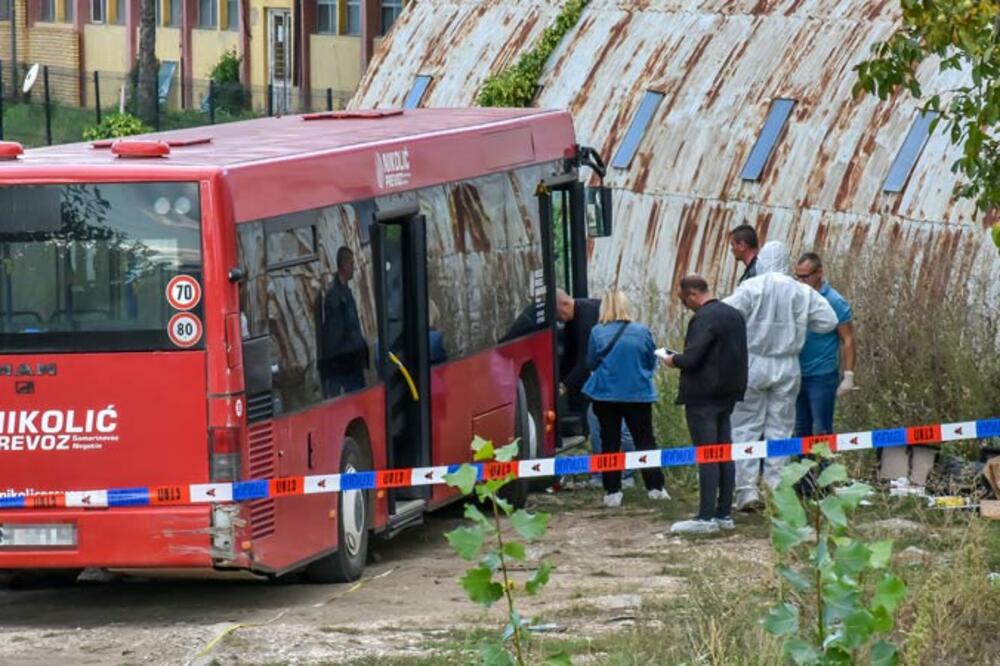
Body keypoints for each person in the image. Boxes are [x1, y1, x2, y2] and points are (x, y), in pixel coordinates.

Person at [723, 241, 839, 511]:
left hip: (753, 363)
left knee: (745, 427)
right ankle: (776, 489)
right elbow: (829, 321)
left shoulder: (751, 287)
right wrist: (798, 324)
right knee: (781, 429)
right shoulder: (800, 291)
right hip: (788, 364)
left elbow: (725, 315)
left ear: (762, 260)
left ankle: (746, 490)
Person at [661, 276, 748, 534]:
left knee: (707, 455)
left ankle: (706, 517)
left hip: (703, 396)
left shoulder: (704, 318)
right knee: (724, 453)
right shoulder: (734, 315)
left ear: (691, 295)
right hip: (728, 393)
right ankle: (724, 513)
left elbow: (693, 358)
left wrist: (672, 359)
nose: (686, 306)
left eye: (684, 301)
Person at [582, 290, 670, 507]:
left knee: (609, 441)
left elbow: (591, 362)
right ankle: (655, 487)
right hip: (638, 394)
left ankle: (612, 491)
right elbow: (651, 361)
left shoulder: (597, 332)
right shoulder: (642, 331)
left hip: (605, 394)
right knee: (645, 440)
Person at [556, 289, 636, 486]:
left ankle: (625, 474)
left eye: (557, 314)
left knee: (622, 429)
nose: (558, 320)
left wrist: (566, 384)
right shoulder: (575, 317)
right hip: (605, 380)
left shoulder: (588, 320)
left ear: (565, 305)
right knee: (596, 424)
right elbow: (572, 355)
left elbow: (585, 361)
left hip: (617, 380)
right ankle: (604, 472)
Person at [793, 253, 856, 437]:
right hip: (797, 373)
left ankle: (825, 466)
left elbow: (848, 338)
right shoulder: (797, 296)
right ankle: (802, 465)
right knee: (800, 430)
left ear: (819, 273)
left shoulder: (834, 301)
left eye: (806, 276)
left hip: (821, 376)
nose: (801, 281)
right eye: (798, 276)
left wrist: (848, 375)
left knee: (822, 429)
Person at [319, 246, 369, 397]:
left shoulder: (345, 292)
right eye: (352, 264)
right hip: (347, 365)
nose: (354, 268)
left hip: (353, 361)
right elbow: (335, 335)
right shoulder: (335, 297)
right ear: (345, 265)